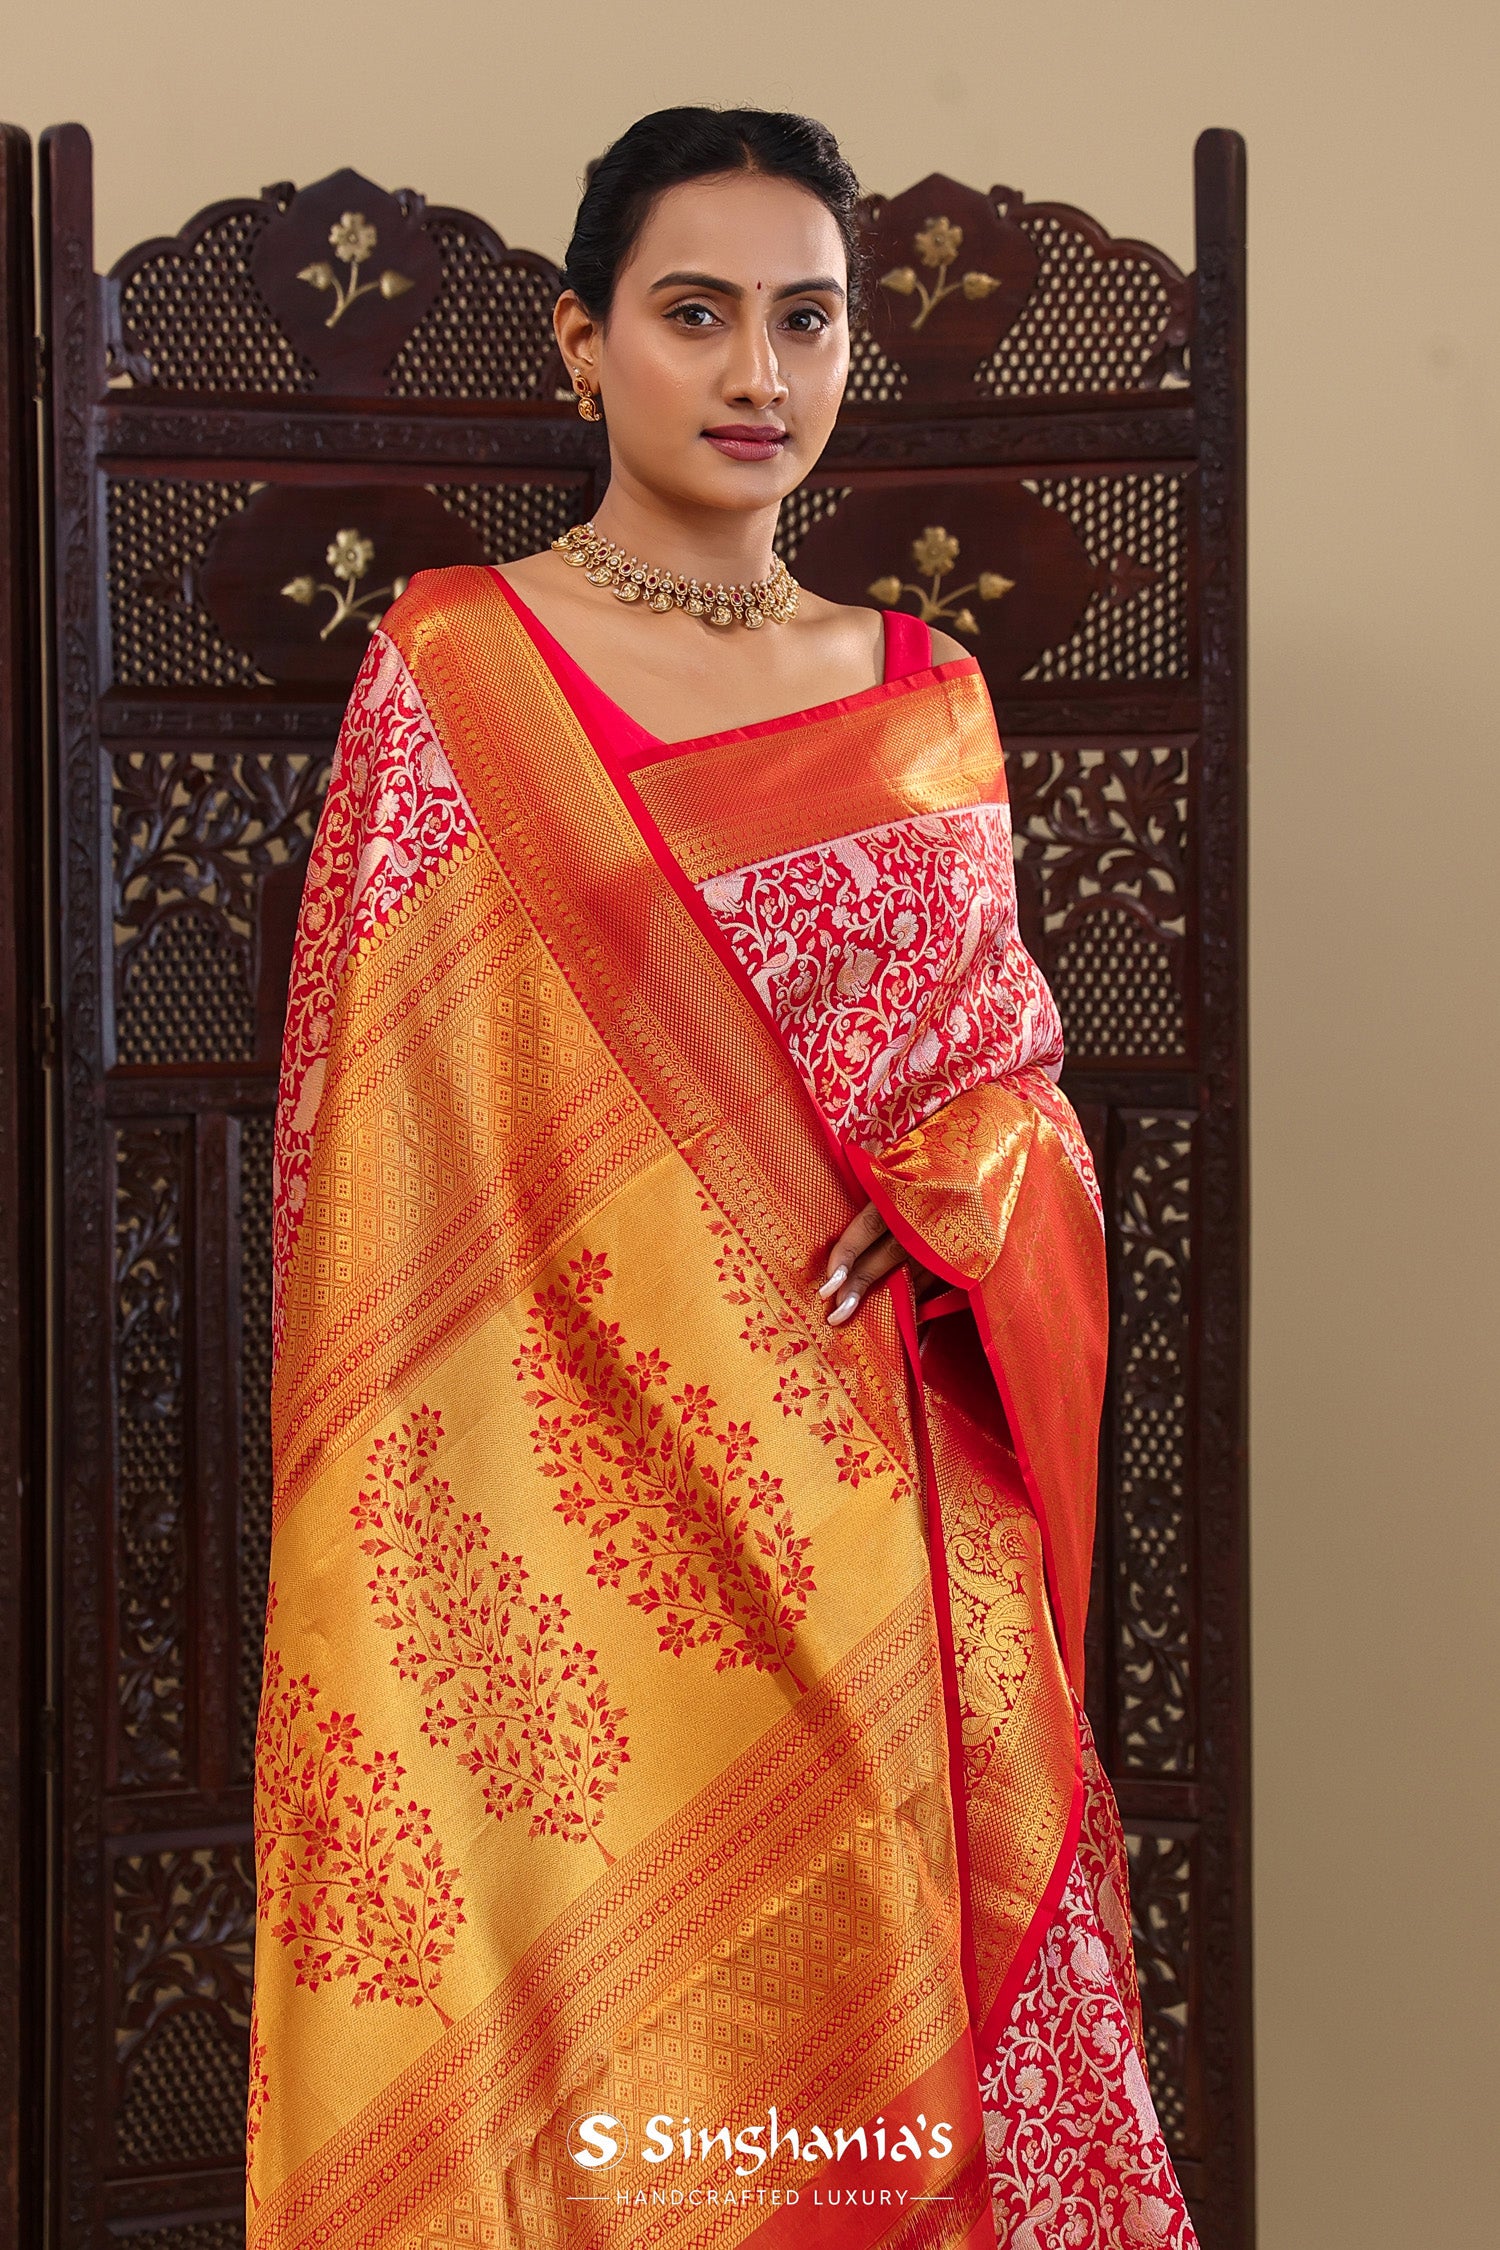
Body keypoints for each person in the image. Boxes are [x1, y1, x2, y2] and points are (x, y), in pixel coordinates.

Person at [248, 106, 1199, 2250]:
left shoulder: (921, 694)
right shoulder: (454, 673)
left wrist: (965, 1182)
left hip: (873, 1517)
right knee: (594, 2080)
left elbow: (1015, 1096)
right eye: (696, 315)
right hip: (550, 1547)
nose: (759, 372)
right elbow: (372, 1135)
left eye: (808, 320)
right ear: (582, 343)